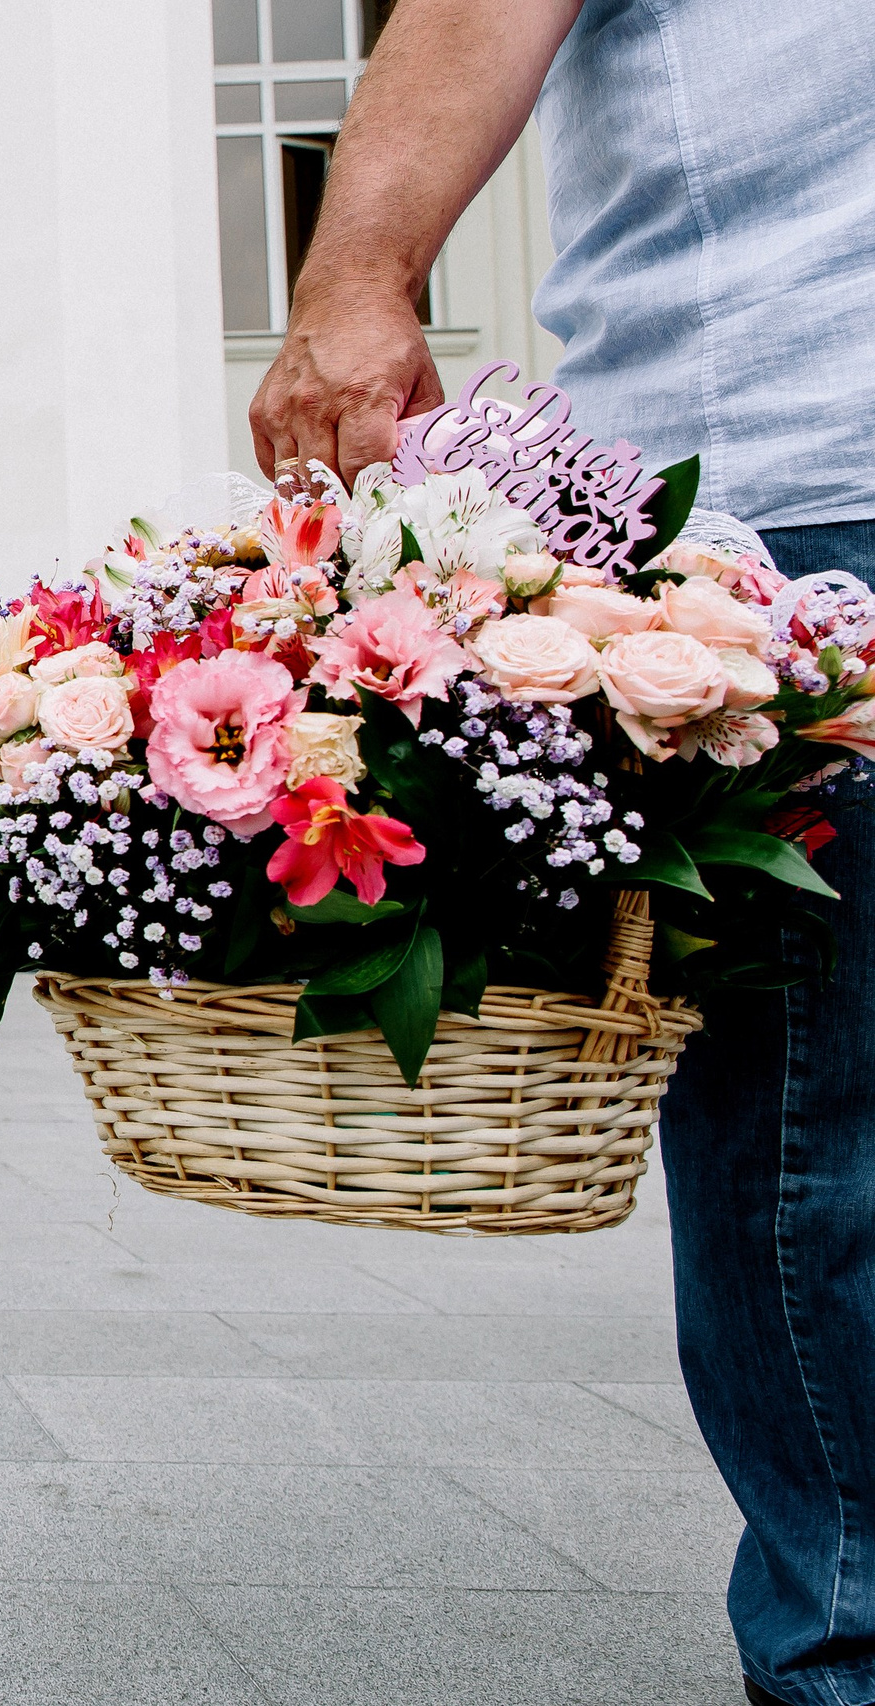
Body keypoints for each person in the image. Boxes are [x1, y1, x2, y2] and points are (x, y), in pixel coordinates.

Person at [247, 4, 875, 1702]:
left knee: (822, 1122)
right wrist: (354, 284)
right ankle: (845, 1649)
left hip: (807, 456)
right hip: (803, 471)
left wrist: (352, 290)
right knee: (822, 1109)